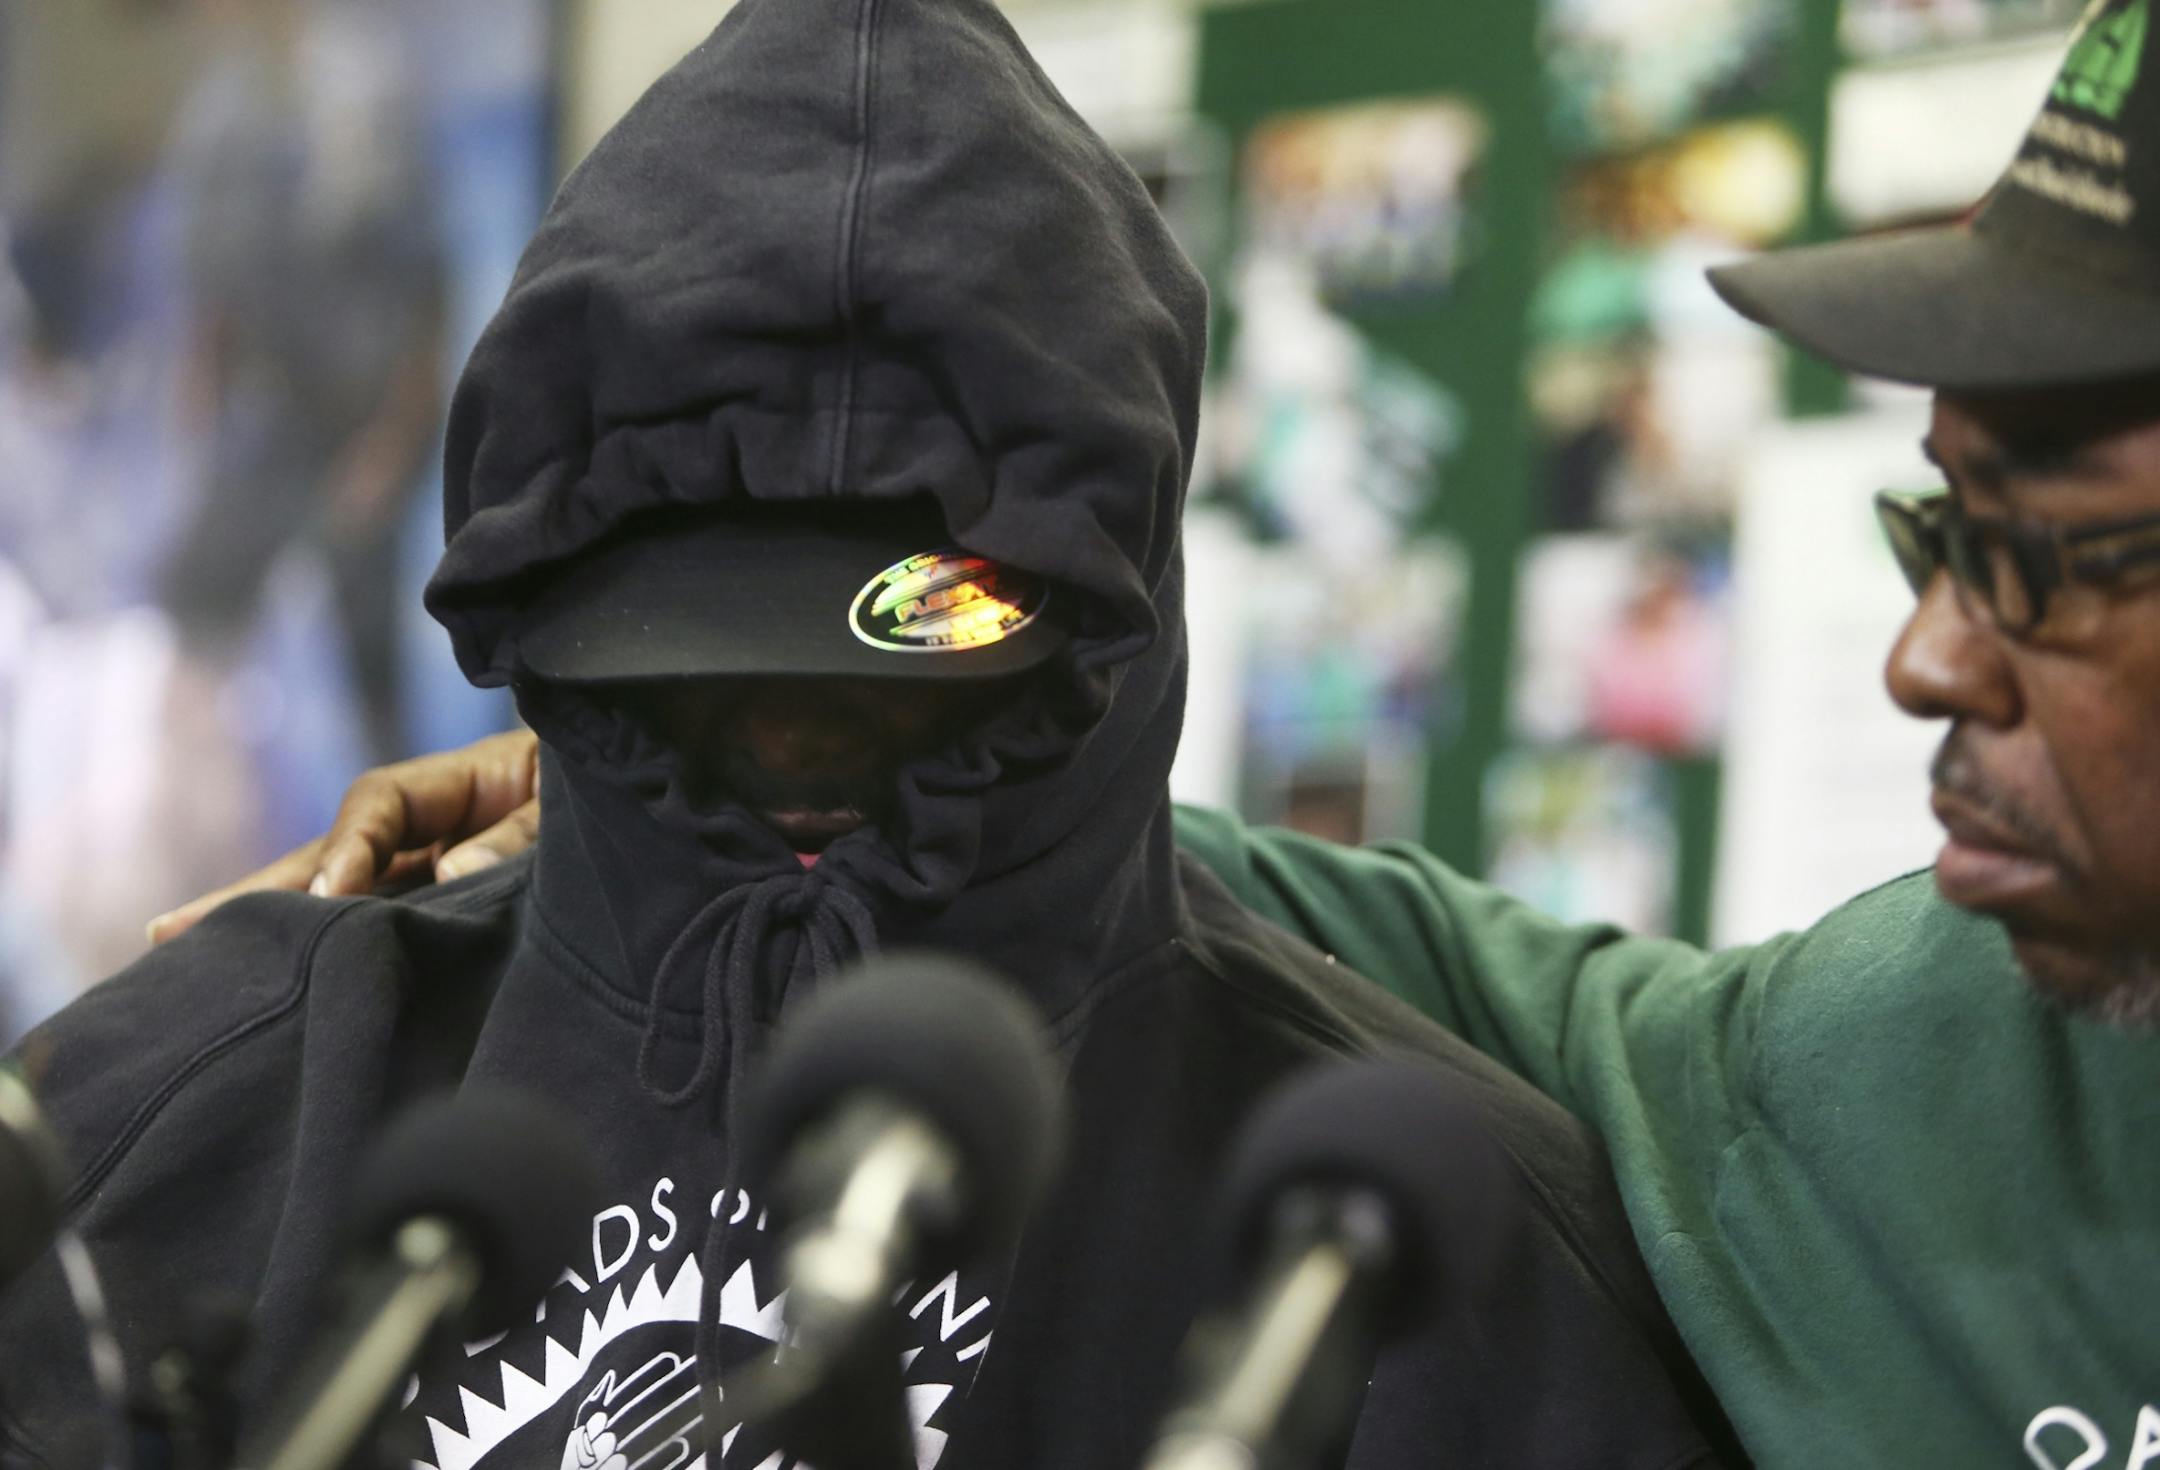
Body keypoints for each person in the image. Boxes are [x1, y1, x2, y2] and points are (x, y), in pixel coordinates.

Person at [206, 3, 2160, 1465]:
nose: (1929, 659)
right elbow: (1306, 940)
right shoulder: (1917, 1064)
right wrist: (714, 771)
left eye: (2050, 557)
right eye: (1939, 533)